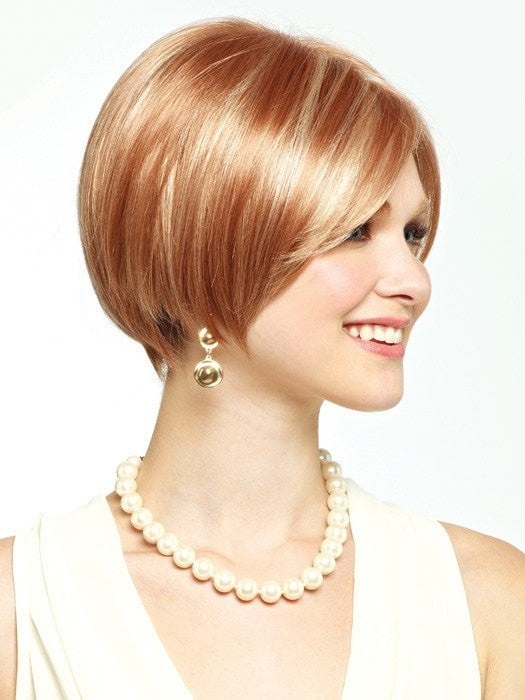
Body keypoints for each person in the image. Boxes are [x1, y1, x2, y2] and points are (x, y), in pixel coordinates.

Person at [1, 15, 524, 699]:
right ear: (201, 246)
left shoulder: (486, 604)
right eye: (354, 230)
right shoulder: (22, 613)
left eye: (413, 232)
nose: (413, 281)